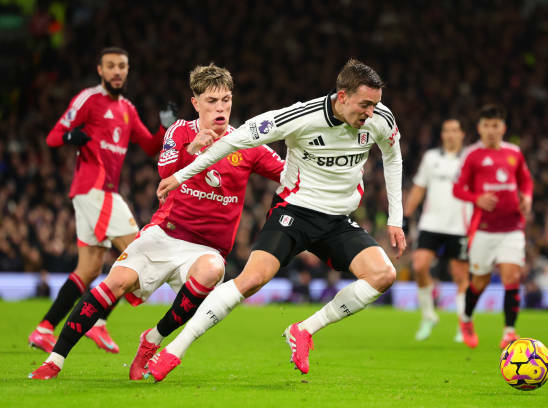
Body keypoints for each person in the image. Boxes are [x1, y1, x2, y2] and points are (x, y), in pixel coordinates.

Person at [149, 59, 405, 381]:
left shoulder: (380, 118)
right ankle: (174, 351)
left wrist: (396, 219)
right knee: (251, 280)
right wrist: (182, 175)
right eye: (365, 105)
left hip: (338, 218)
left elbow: (393, 157)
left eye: (375, 104)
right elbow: (234, 140)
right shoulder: (300, 117)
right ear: (342, 97)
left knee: (383, 275)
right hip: (294, 211)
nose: (371, 113)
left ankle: (304, 330)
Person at [28, 63, 284, 380]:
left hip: (206, 249)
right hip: (164, 235)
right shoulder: (180, 131)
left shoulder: (246, 143)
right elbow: (164, 172)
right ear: (196, 103)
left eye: (226, 100)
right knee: (114, 284)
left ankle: (152, 340)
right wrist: (193, 149)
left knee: (212, 270)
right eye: (212, 101)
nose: (220, 108)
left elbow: (286, 173)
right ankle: (54, 360)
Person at [28, 46, 176, 355]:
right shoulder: (89, 99)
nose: (117, 71)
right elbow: (53, 137)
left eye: (122, 66)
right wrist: (70, 137)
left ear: (127, 70)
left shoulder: (127, 109)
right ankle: (98, 321)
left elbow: (150, 146)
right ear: (100, 70)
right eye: (111, 66)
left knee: (89, 269)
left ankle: (44, 329)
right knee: (138, 250)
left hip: (97, 194)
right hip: (95, 189)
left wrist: (165, 127)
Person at [452, 104, 533, 349]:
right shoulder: (472, 155)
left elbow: (526, 181)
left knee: (512, 276)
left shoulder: (514, 153)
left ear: (503, 128)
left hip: (512, 227)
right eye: (486, 125)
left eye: (495, 126)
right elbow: (458, 189)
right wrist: (476, 198)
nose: (490, 130)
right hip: (483, 229)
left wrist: (527, 197)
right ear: (479, 128)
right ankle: (466, 319)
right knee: (480, 282)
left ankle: (509, 332)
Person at [404, 118, 471, 342]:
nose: (451, 134)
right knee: (419, 266)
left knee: (460, 275)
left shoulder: (470, 158)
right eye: (447, 130)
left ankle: (463, 324)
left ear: (462, 134)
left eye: (455, 130)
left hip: (459, 226)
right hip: (431, 223)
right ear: (442, 135)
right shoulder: (431, 158)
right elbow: (419, 188)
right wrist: (405, 216)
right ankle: (428, 316)